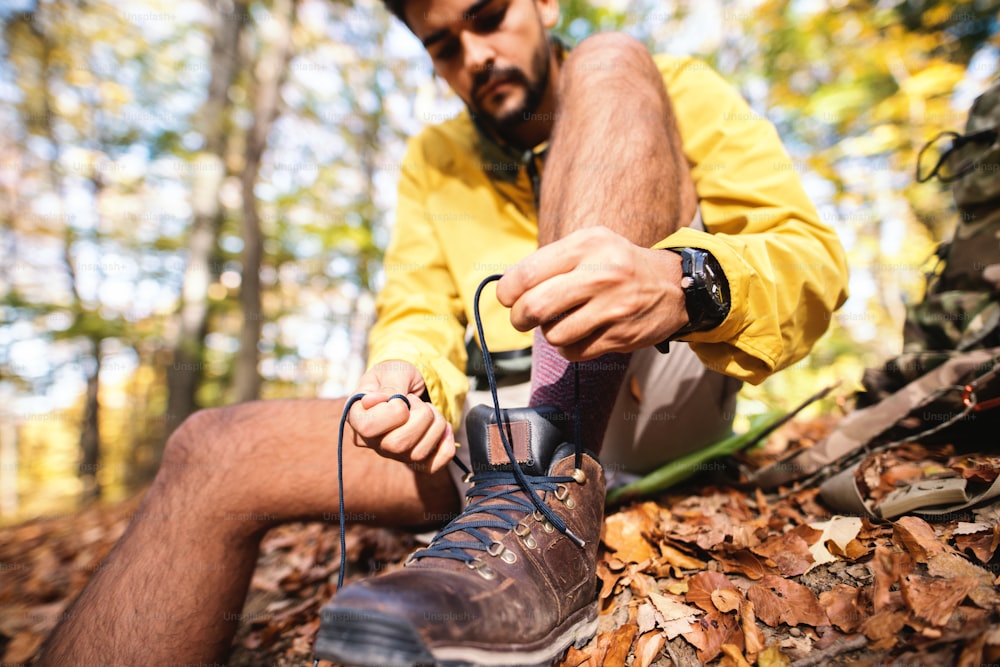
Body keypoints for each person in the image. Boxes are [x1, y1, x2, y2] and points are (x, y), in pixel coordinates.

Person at [38, 0, 849, 664]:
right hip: (490, 431)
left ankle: (554, 506)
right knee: (211, 447)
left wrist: (685, 282)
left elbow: (812, 259)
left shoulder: (677, 88)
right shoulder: (434, 158)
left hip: (654, 375)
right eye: (443, 45)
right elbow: (415, 306)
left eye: (489, 16)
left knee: (611, 59)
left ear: (541, 4)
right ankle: (523, 490)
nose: (476, 55)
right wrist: (400, 377)